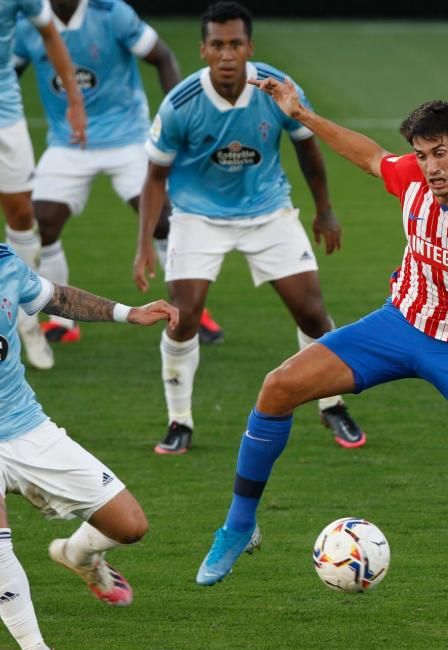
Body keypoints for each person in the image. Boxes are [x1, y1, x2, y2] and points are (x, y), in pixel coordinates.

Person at [193, 79, 448, 616]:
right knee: (278, 387)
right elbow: (369, 156)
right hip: (396, 327)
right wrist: (302, 113)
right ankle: (238, 526)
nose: (430, 166)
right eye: (422, 155)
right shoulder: (412, 180)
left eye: (440, 153)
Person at [132, 2, 364, 454]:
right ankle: (179, 420)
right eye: (217, 44)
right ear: (203, 50)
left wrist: (324, 210)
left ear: (249, 48)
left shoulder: (277, 89)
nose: (226, 54)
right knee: (184, 317)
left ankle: (332, 405)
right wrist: (144, 243)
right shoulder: (181, 103)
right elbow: (155, 176)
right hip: (199, 217)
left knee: (312, 313)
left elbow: (308, 150)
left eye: (235, 44)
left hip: (268, 212)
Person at [0, 242, 178, 650]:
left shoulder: (5, 263)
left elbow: (55, 297)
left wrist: (127, 312)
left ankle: (78, 555)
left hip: (26, 427)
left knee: (130, 525)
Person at [14, 0, 226, 347]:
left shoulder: (112, 14)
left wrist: (180, 119)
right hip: (68, 143)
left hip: (127, 137)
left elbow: (162, 56)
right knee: (44, 221)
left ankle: (192, 312)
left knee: (162, 219)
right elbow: (10, 74)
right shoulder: (28, 24)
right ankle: (63, 322)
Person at [0, 0, 86, 371]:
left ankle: (26, 322)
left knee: (22, 215)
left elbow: (50, 31)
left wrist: (74, 97)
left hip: (5, 114)